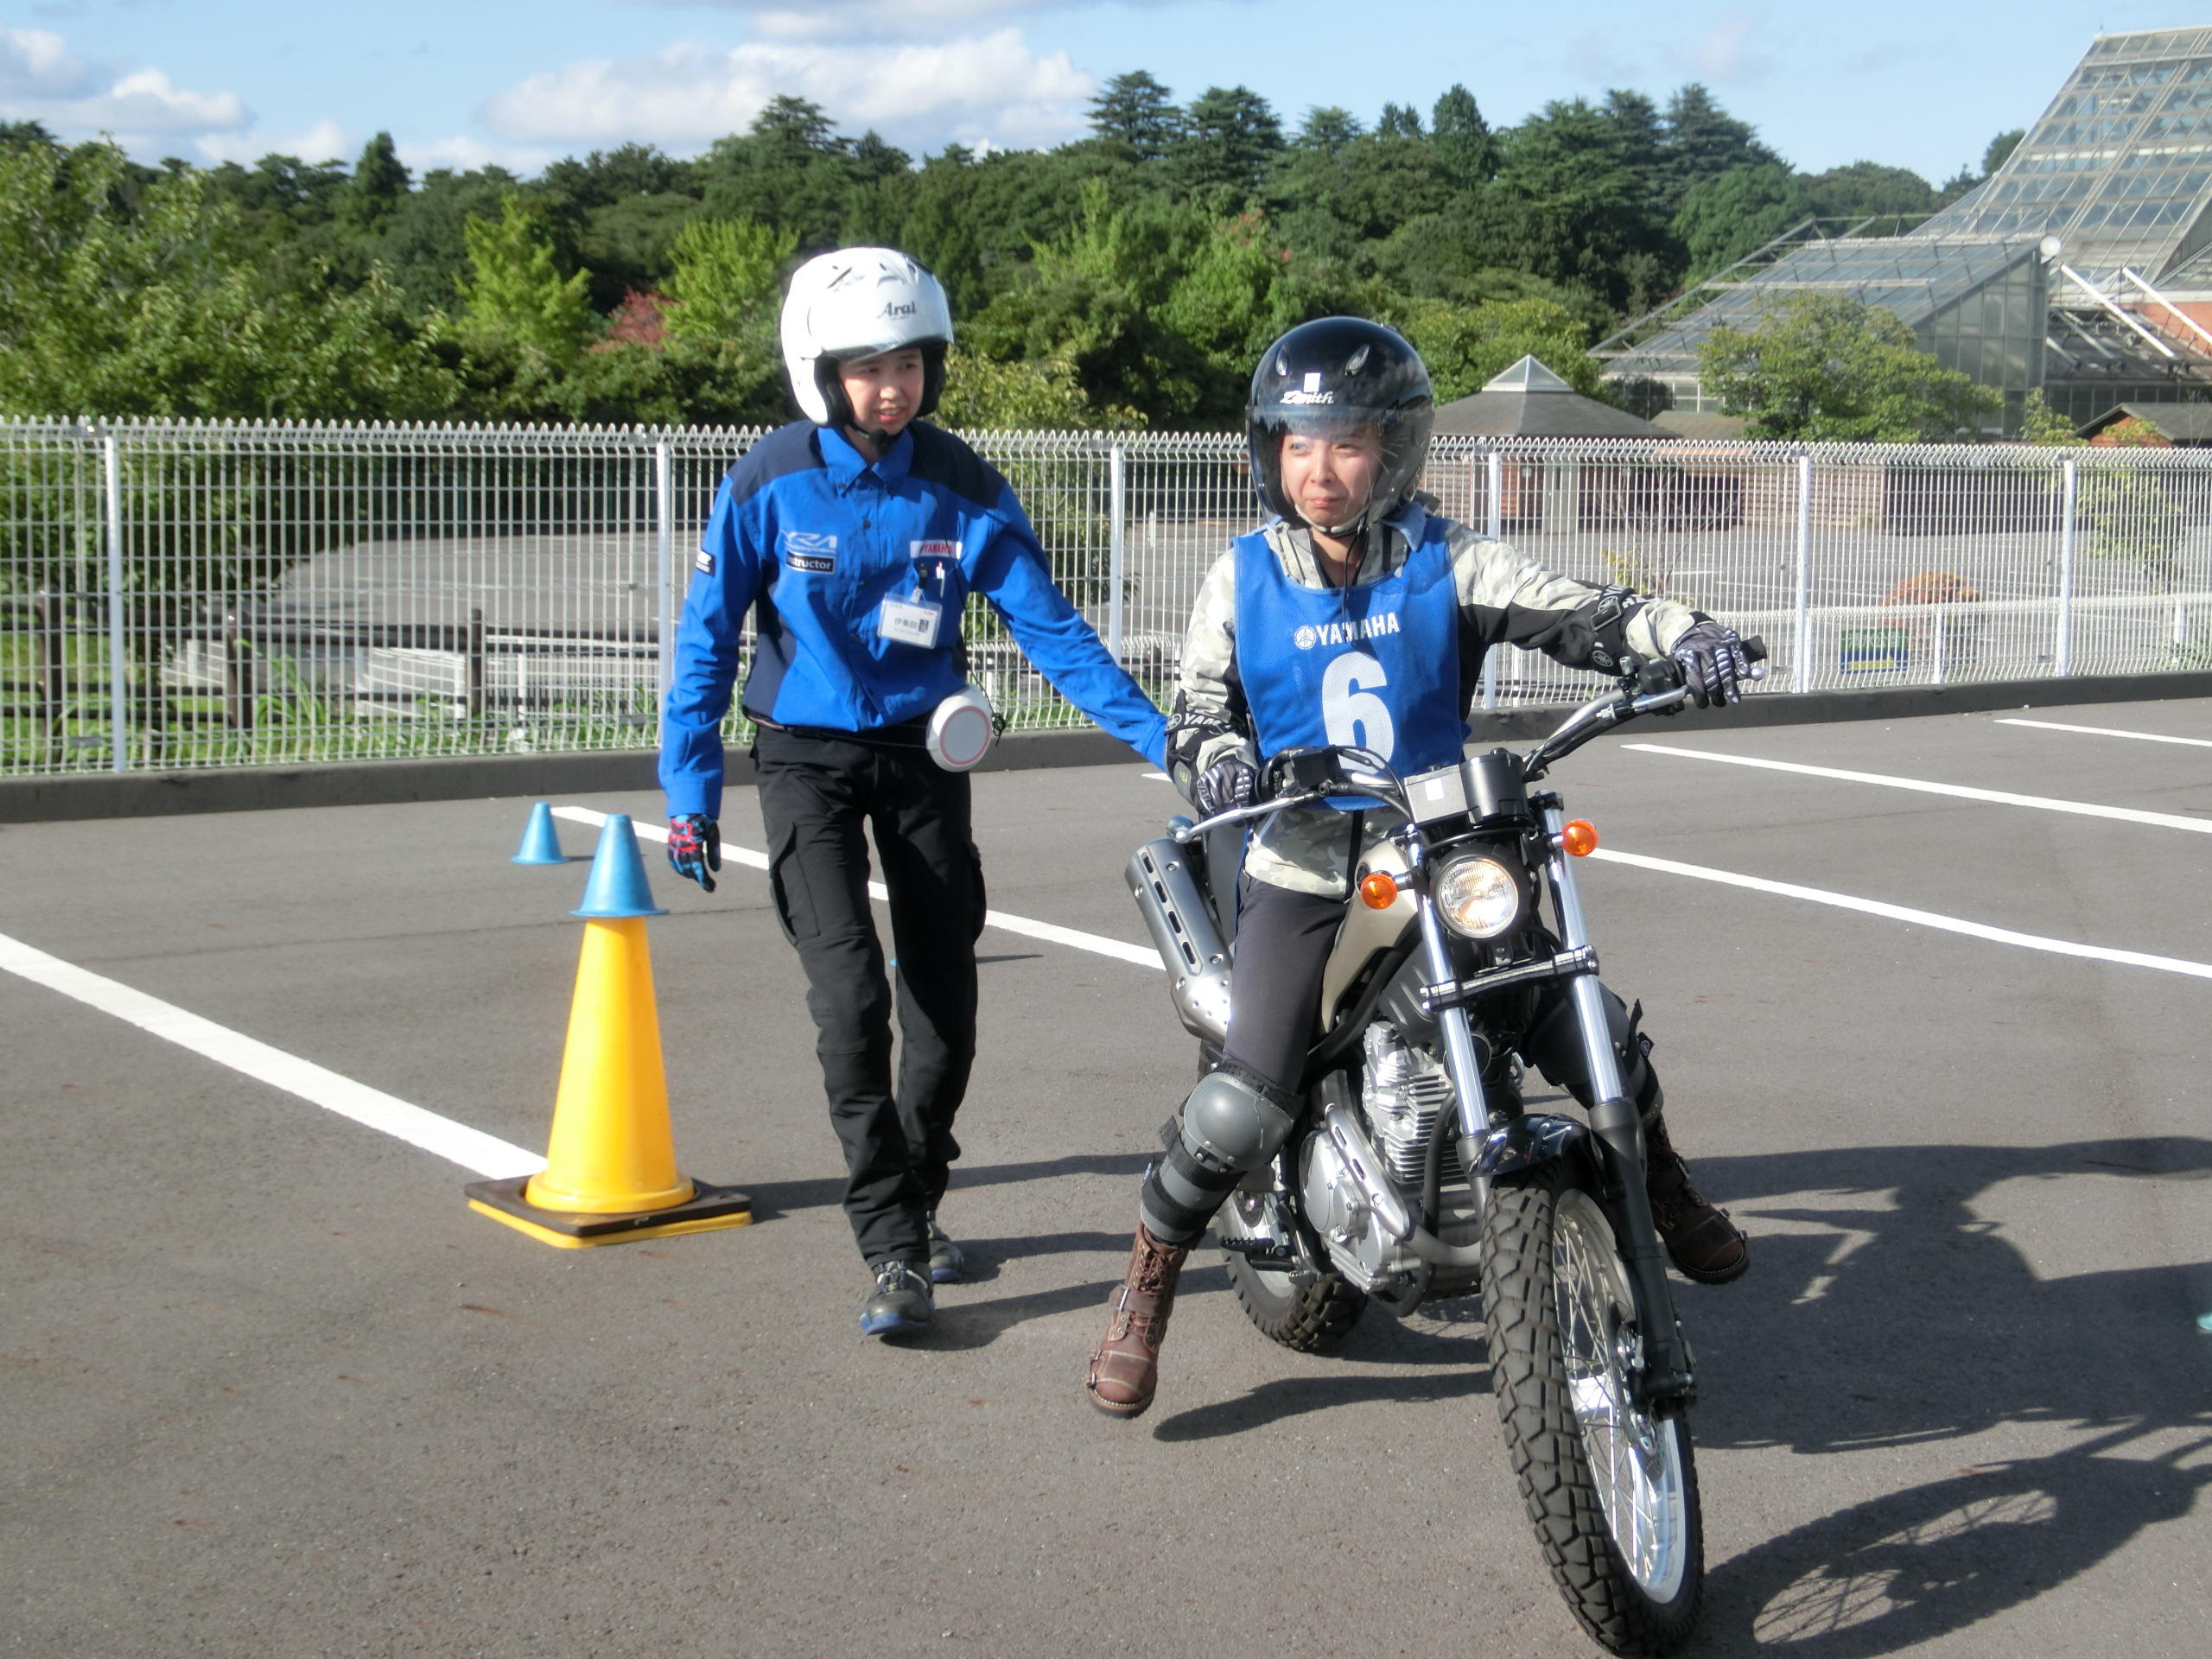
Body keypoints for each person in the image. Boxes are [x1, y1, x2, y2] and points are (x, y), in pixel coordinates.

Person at [1085, 316, 1753, 1418]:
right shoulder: (1240, 576)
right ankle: (1147, 1279)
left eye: (1343, 443)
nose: (1319, 469)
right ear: (1268, 451)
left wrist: (1686, 635)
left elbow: (1586, 612)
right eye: (1297, 444)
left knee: (1585, 1030)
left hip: (1445, 851)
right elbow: (1196, 711)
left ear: (1391, 449)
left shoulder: (1452, 558)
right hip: (1303, 863)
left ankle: (1665, 1189)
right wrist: (1219, 768)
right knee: (1246, 1102)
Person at [659, 247, 1166, 1340]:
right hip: (804, 760)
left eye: (909, 364)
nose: (891, 388)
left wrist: (1170, 742)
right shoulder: (765, 480)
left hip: (928, 757)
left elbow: (1052, 630)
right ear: (820, 371)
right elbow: (705, 645)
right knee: (850, 1000)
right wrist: (689, 790)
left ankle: (922, 1194)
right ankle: (891, 1244)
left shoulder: (964, 483)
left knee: (945, 1003)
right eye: (866, 367)